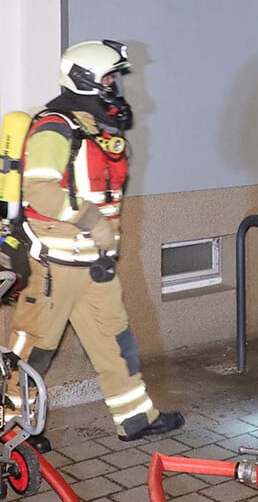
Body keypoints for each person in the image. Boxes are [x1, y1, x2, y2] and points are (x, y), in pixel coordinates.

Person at [5, 40, 184, 451]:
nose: (114, 85)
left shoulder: (93, 125)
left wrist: (103, 239)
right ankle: (9, 424)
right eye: (108, 78)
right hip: (57, 267)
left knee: (115, 341)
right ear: (85, 80)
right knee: (34, 348)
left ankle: (135, 417)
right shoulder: (54, 127)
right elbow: (41, 190)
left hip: (94, 265)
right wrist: (91, 221)